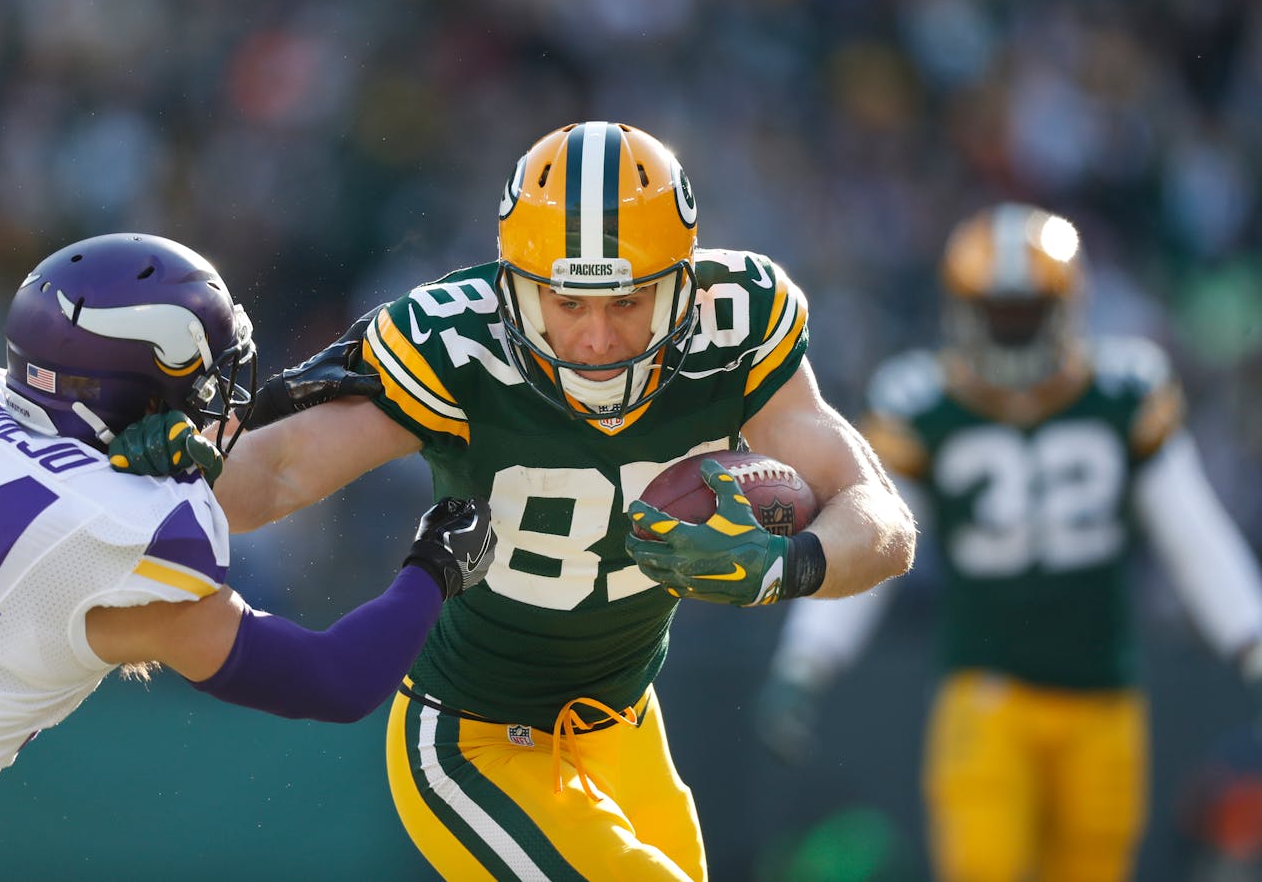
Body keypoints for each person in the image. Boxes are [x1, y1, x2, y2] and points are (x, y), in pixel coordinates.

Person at [112, 121, 916, 879]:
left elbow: (879, 516)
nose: (597, 338)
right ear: (517, 290)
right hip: (474, 735)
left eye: (627, 302)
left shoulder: (736, 324)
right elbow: (278, 474)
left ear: (682, 286)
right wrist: (167, 475)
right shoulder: (458, 345)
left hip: (626, 724)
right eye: (569, 304)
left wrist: (788, 565)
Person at [0, 233, 496, 882]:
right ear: (147, 399)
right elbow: (333, 678)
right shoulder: (130, 532)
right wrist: (435, 567)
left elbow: (66, 478)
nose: (220, 395)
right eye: (204, 382)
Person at [756, 203, 1262, 882]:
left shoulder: (1123, 391)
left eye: (1026, 312)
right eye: (999, 312)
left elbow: (1193, 531)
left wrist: (1251, 633)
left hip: (1103, 692)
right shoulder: (924, 402)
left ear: (1067, 308)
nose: (1013, 330)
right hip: (987, 693)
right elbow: (873, 535)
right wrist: (809, 656)